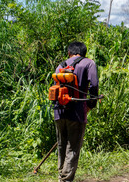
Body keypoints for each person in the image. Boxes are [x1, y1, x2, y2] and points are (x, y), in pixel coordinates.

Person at [53, 41, 99, 182]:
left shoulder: (60, 65)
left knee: (61, 144)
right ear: (84, 52)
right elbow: (94, 85)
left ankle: (62, 175)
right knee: (73, 147)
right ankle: (65, 179)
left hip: (58, 112)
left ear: (69, 52)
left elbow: (55, 87)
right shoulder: (89, 63)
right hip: (77, 111)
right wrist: (90, 105)